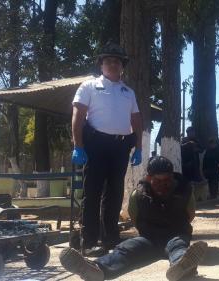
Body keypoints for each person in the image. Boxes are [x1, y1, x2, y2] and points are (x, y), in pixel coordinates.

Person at [60, 156, 208, 281]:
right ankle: (96, 269)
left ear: (172, 176)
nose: (163, 185)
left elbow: (190, 215)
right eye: (158, 181)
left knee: (178, 246)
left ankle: (181, 268)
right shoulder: (138, 195)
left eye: (167, 180)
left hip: (176, 234)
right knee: (127, 248)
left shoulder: (184, 191)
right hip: (149, 238)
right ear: (149, 178)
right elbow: (135, 217)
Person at [71, 42, 143, 256]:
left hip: (120, 146)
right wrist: (78, 146)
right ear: (101, 64)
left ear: (122, 66)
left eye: (117, 61)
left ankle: (111, 238)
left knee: (114, 193)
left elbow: (136, 119)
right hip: (95, 144)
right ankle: (89, 240)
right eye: (108, 60)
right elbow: (78, 116)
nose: (113, 64)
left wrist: (139, 147)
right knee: (92, 192)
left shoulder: (128, 92)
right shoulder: (89, 86)